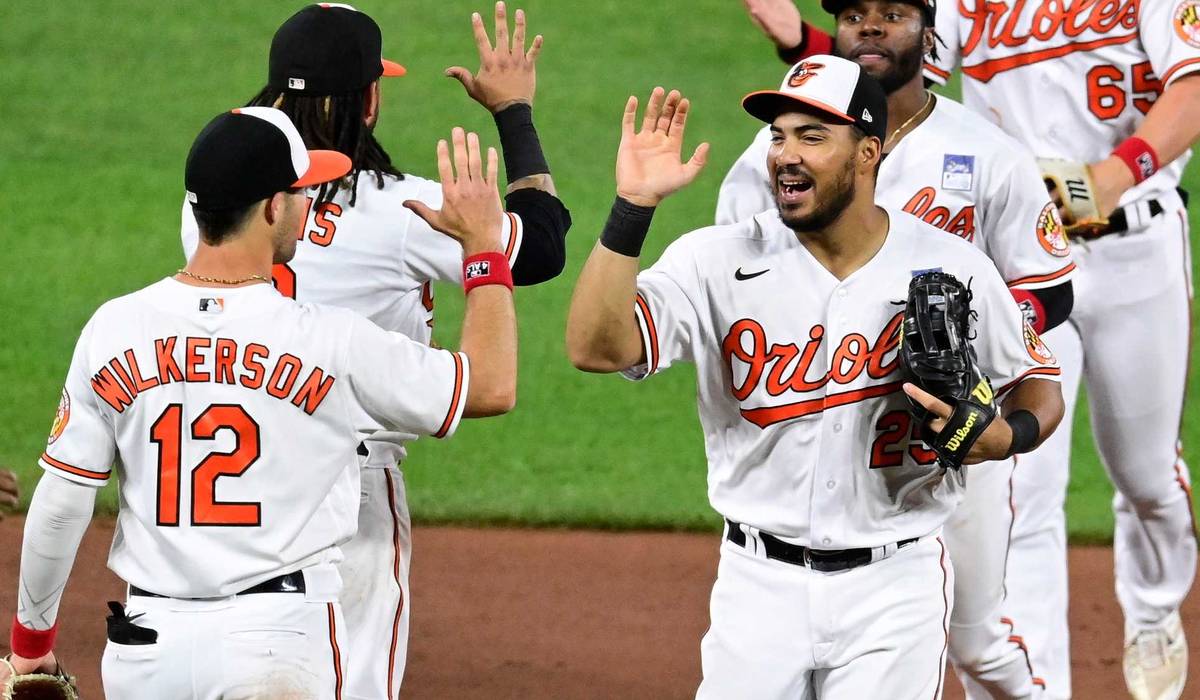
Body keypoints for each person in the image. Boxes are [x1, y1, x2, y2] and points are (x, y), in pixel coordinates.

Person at [743, 1, 1200, 697]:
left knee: (1147, 478)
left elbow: (1197, 90)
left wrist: (1107, 178)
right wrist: (803, 42)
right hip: (1018, 258)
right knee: (1020, 487)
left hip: (1132, 248)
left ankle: (1152, 609)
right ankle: (1040, 686)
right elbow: (895, 75)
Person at [566, 56, 1064, 699]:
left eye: (812, 136)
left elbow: (1039, 380)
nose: (785, 155)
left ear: (867, 153)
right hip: (756, 585)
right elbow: (595, 348)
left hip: (896, 585)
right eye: (779, 136)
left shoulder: (953, 265)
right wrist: (632, 208)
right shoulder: (716, 261)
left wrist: (1008, 435)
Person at [1, 106, 517, 698]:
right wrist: (483, 249)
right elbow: (489, 386)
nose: (311, 204)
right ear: (274, 207)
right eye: (303, 191)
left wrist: (31, 650)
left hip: (149, 652)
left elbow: (64, 499)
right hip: (279, 649)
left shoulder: (112, 329)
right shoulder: (333, 341)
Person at [178, 4, 570, 697]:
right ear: (369, 98)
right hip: (348, 487)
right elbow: (540, 247)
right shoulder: (403, 212)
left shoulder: (217, 201)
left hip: (229, 483)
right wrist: (513, 112)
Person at [718, 2, 1074, 696]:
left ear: (928, 32)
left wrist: (978, 329)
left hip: (952, 439)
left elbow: (1050, 290)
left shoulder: (988, 153)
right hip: (818, 436)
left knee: (975, 645)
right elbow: (735, 277)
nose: (870, 27)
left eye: (891, 12)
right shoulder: (778, 156)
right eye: (853, 14)